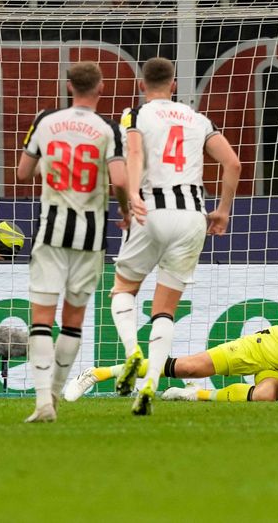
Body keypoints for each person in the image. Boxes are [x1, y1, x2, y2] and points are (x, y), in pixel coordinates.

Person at [110, 57, 241, 416]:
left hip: (151, 210)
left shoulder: (134, 114)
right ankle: (151, 377)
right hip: (192, 217)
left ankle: (131, 352)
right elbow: (233, 164)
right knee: (164, 308)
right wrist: (223, 210)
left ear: (141, 84)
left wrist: (134, 193)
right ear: (174, 85)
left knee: (123, 290)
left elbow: (134, 151)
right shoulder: (198, 119)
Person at [17, 61, 142, 423]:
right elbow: (120, 179)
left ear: (68, 86)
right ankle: (55, 393)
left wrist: (48, 167)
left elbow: (23, 172)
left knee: (41, 318)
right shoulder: (108, 128)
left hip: (51, 230)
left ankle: (42, 402)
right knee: (73, 321)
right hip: (90, 233)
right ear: (100, 89)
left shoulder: (45, 120)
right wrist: (124, 210)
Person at [64, 294, 278, 402]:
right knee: (189, 367)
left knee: (266, 397)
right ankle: (97, 373)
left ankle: (193, 395)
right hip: (260, 349)